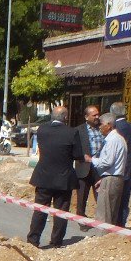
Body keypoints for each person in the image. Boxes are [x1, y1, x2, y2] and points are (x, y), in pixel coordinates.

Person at [26, 106, 82, 249]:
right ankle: (56, 241)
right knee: (61, 212)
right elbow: (77, 155)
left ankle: (33, 240)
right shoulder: (72, 132)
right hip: (63, 179)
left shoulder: (42, 130)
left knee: (40, 210)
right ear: (65, 117)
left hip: (43, 177)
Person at [83, 113, 128, 226]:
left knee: (104, 213)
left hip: (112, 179)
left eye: (101, 125)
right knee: (110, 212)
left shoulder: (112, 140)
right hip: (112, 177)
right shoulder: (118, 139)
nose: (99, 127)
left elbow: (107, 161)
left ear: (109, 125)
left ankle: (102, 238)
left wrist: (91, 160)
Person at [110, 102, 131, 227]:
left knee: (114, 199)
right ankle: (122, 224)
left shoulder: (114, 128)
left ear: (112, 113)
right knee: (125, 199)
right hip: (129, 167)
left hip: (117, 168)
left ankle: (113, 224)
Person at [74, 105, 103, 217]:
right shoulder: (78, 130)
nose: (97, 117)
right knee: (81, 197)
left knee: (100, 197)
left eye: (98, 114)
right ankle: (81, 219)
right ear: (87, 117)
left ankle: (101, 220)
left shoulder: (103, 128)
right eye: (94, 115)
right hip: (84, 168)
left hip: (99, 169)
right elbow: (74, 148)